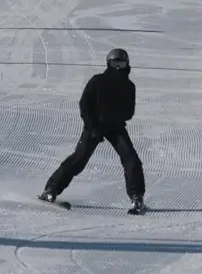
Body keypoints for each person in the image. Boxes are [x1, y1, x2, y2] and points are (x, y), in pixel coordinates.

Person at [40, 48, 147, 213]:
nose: (118, 67)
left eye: (121, 63)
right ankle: (51, 190)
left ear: (127, 64)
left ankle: (136, 197)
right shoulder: (97, 81)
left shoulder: (129, 86)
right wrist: (93, 126)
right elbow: (84, 104)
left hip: (116, 127)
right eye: (115, 63)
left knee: (130, 158)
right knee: (79, 158)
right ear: (108, 64)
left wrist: (113, 117)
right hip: (94, 126)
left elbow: (129, 112)